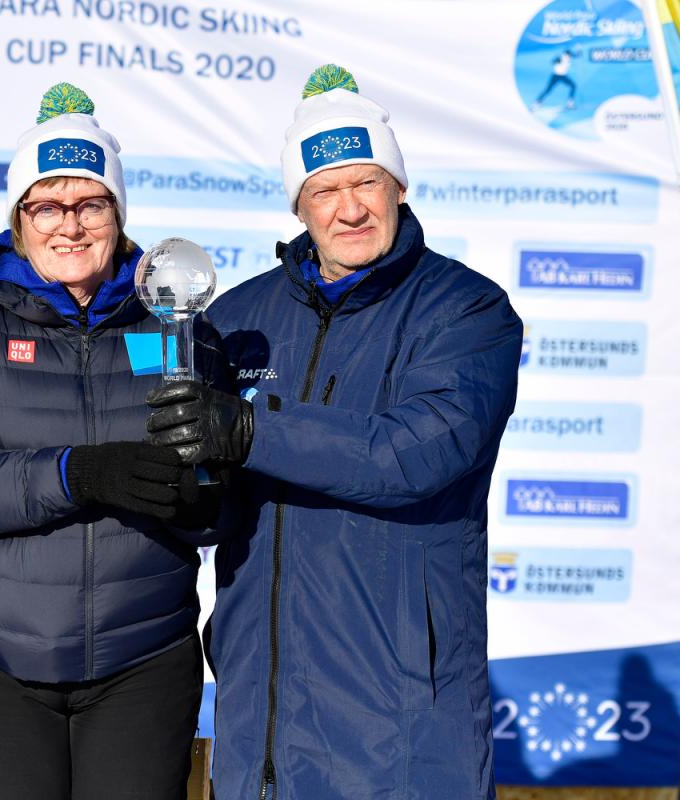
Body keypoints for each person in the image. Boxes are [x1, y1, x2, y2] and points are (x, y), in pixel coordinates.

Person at [146, 65, 522, 800]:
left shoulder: (467, 310)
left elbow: (413, 453)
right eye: (325, 190)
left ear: (399, 188)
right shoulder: (241, 316)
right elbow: (219, 497)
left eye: (366, 183)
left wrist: (248, 429)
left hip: (400, 706)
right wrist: (187, 480)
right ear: (299, 204)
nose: (349, 209)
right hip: (263, 701)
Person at [0, 83, 229, 800]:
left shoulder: (176, 330)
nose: (70, 226)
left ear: (118, 216)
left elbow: (219, 499)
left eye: (91, 204)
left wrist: (201, 492)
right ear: (19, 221)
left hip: (142, 657)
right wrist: (76, 473)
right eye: (46, 206)